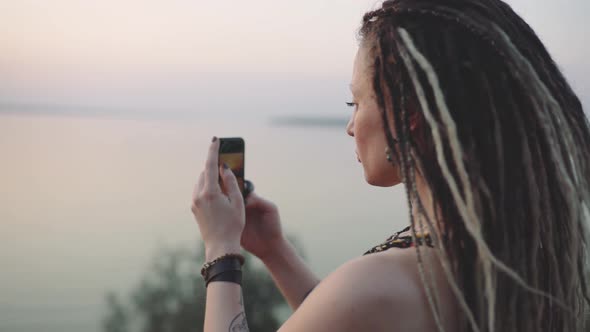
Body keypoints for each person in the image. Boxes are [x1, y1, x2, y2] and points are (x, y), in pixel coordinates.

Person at [191, 0, 590, 331]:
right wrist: (275, 251)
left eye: (356, 103)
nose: (350, 127)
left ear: (408, 116)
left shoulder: (382, 285)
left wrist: (221, 250)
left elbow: (361, 304)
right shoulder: (503, 256)